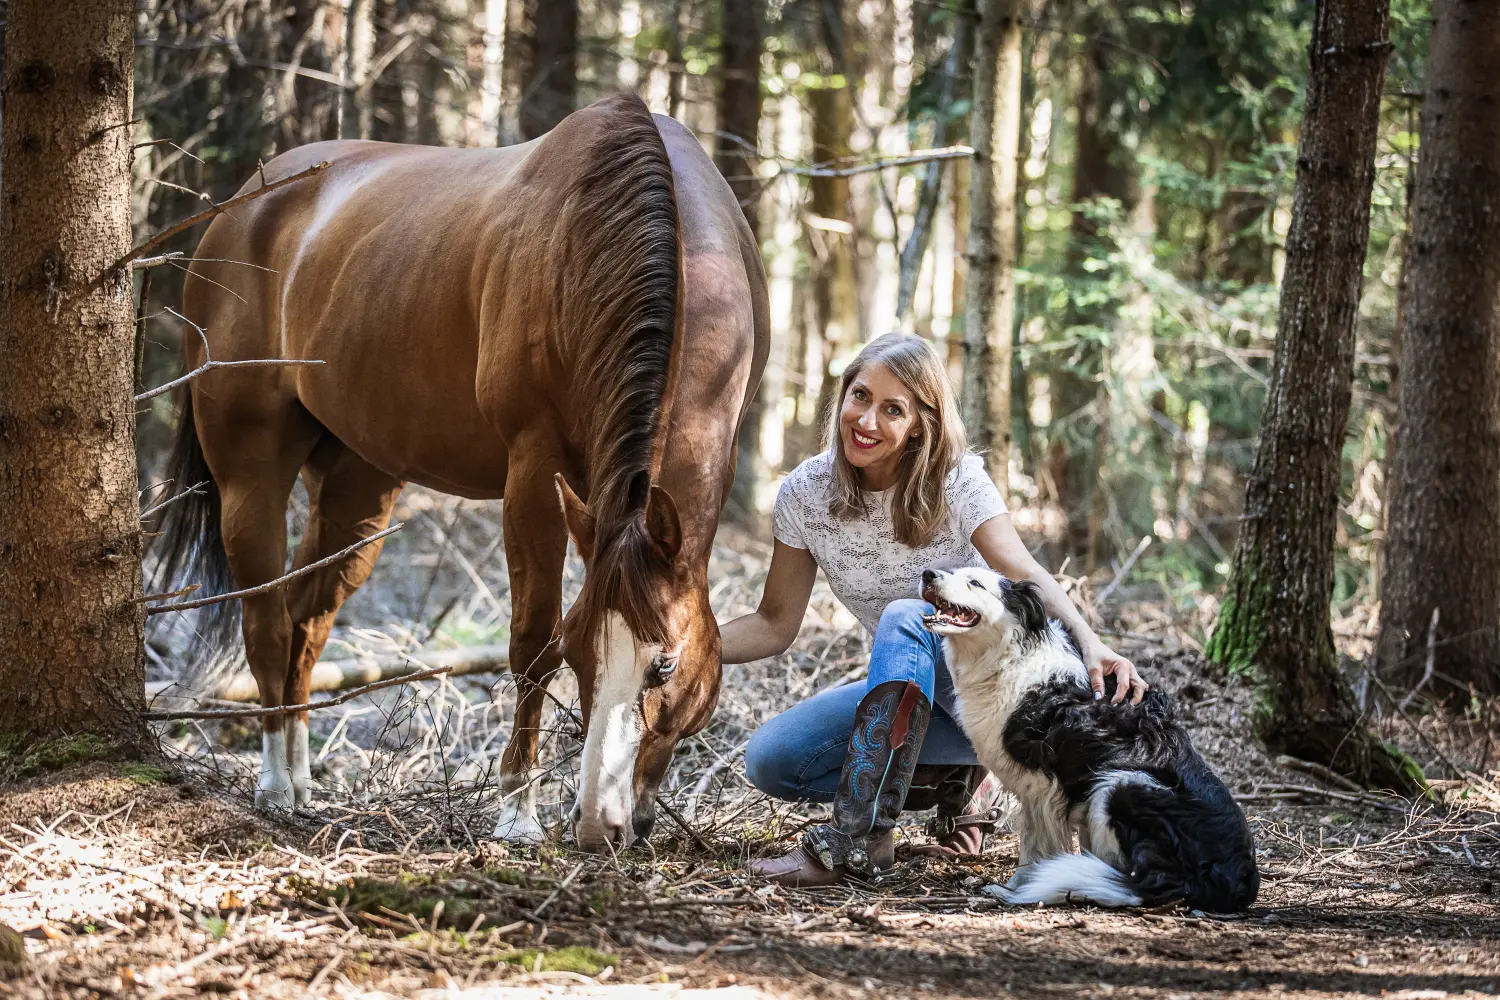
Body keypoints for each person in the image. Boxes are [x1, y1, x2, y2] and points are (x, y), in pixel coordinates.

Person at [719, 332, 1147, 887]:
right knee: (774, 759)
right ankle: (960, 778)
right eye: (860, 396)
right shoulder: (806, 493)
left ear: (920, 422)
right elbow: (774, 624)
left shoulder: (957, 479)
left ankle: (859, 840)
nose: (867, 420)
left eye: (892, 409)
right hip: (915, 694)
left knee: (905, 614)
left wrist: (1092, 643)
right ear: (842, 394)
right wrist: (683, 646)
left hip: (1001, 691)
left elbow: (1024, 572)